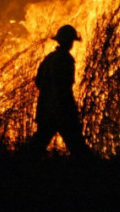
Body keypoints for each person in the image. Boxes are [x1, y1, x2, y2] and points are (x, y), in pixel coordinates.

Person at [28, 24, 92, 157]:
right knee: (77, 146)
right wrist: (65, 108)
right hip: (62, 111)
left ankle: (18, 165)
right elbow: (64, 87)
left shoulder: (49, 58)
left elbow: (38, 82)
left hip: (46, 109)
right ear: (69, 43)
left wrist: (48, 97)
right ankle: (92, 172)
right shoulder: (66, 60)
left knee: (37, 144)